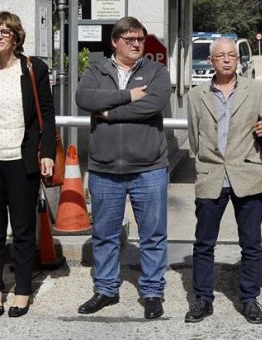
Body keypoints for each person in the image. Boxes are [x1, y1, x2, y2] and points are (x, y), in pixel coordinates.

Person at [75, 16, 170, 320]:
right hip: (105, 170)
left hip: (149, 168)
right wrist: (127, 95)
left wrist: (109, 113)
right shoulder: (96, 70)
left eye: (140, 39)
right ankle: (105, 289)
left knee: (153, 235)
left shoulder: (156, 71)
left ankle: (153, 291)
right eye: (128, 39)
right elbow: (84, 98)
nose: (135, 44)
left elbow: (153, 105)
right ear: (114, 41)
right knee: (104, 234)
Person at [0, 11, 56, 318]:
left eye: (5, 32)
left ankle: (22, 291)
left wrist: (46, 151)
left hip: (22, 161)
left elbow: (46, 114)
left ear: (16, 37)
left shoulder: (34, 69)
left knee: (22, 231)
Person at [185, 37, 262, 324]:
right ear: (211, 61)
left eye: (231, 55)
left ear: (238, 60)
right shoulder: (196, 95)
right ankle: (202, 298)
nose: (226, 59)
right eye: (220, 55)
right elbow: (195, 140)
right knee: (204, 242)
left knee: (251, 243)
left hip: (247, 174)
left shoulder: (258, 90)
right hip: (212, 175)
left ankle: (249, 299)